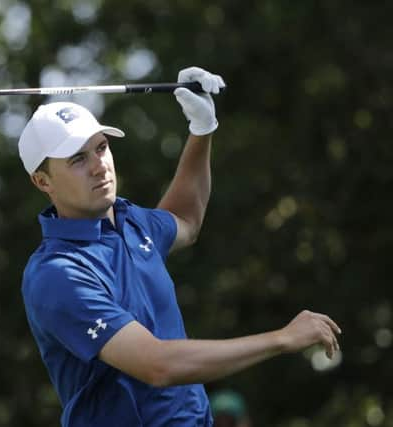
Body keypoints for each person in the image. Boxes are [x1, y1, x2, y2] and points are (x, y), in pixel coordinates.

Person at [18, 66, 341, 427]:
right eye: (78, 159)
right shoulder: (56, 273)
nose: (99, 166)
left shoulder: (130, 220)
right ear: (42, 180)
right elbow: (158, 365)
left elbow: (185, 219)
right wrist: (282, 339)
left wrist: (201, 130)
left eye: (101, 147)